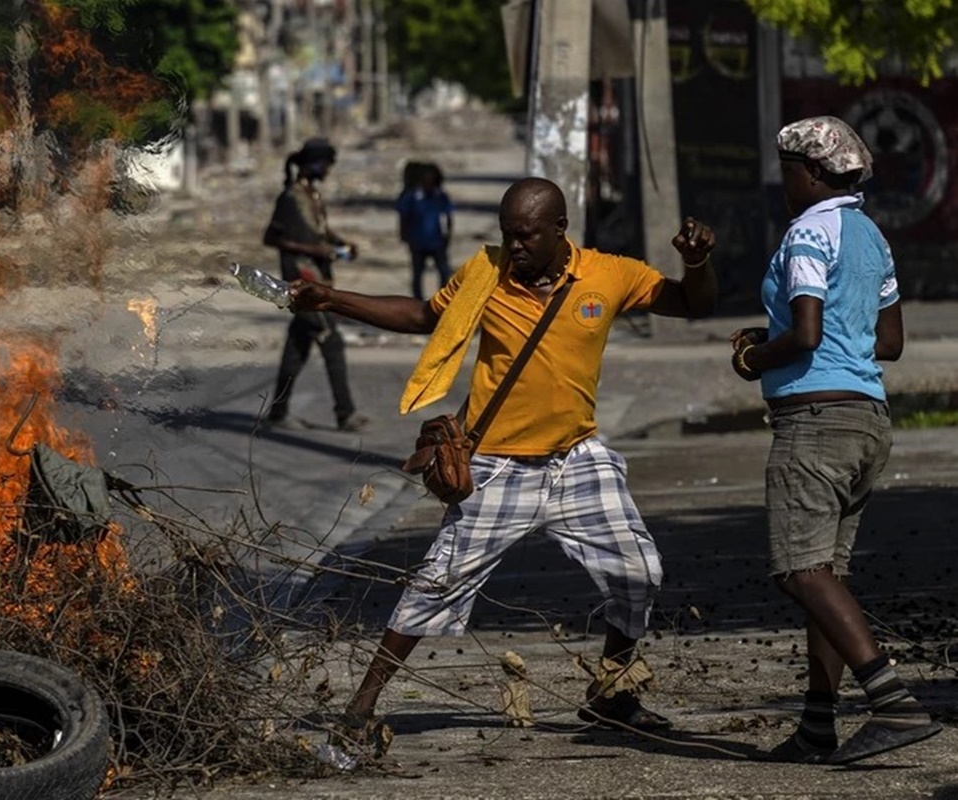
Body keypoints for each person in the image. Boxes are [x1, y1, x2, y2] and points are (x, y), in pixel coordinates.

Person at [289, 177, 718, 740]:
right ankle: (360, 709)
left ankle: (612, 692)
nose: (514, 246)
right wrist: (334, 299)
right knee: (435, 583)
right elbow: (423, 315)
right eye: (507, 234)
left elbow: (693, 303)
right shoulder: (483, 273)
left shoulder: (609, 274)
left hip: (575, 458)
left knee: (639, 573)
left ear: (560, 230)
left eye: (525, 236)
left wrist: (697, 263)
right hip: (495, 465)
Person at [729, 116, 942, 765]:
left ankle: (892, 700)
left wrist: (753, 357)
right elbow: (890, 342)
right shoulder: (872, 236)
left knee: (799, 569)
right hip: (867, 420)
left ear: (813, 174)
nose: (783, 181)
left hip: (815, 421)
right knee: (827, 573)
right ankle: (818, 725)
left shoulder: (807, 231)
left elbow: (806, 334)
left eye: (788, 168)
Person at [262, 137, 367, 432]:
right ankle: (345, 414)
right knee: (331, 341)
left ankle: (278, 413)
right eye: (327, 164)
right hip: (302, 282)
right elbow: (270, 237)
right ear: (316, 164)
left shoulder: (312, 196)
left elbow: (319, 230)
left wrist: (340, 242)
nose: (329, 170)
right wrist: (313, 251)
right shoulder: (289, 197)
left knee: (297, 348)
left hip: (318, 278)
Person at [396, 162, 454, 300]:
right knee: (417, 275)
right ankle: (418, 301)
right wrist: (404, 235)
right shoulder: (412, 197)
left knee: (444, 273)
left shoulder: (440, 196)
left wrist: (447, 237)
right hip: (417, 241)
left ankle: (442, 300)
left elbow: (448, 218)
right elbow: (404, 216)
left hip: (436, 241)